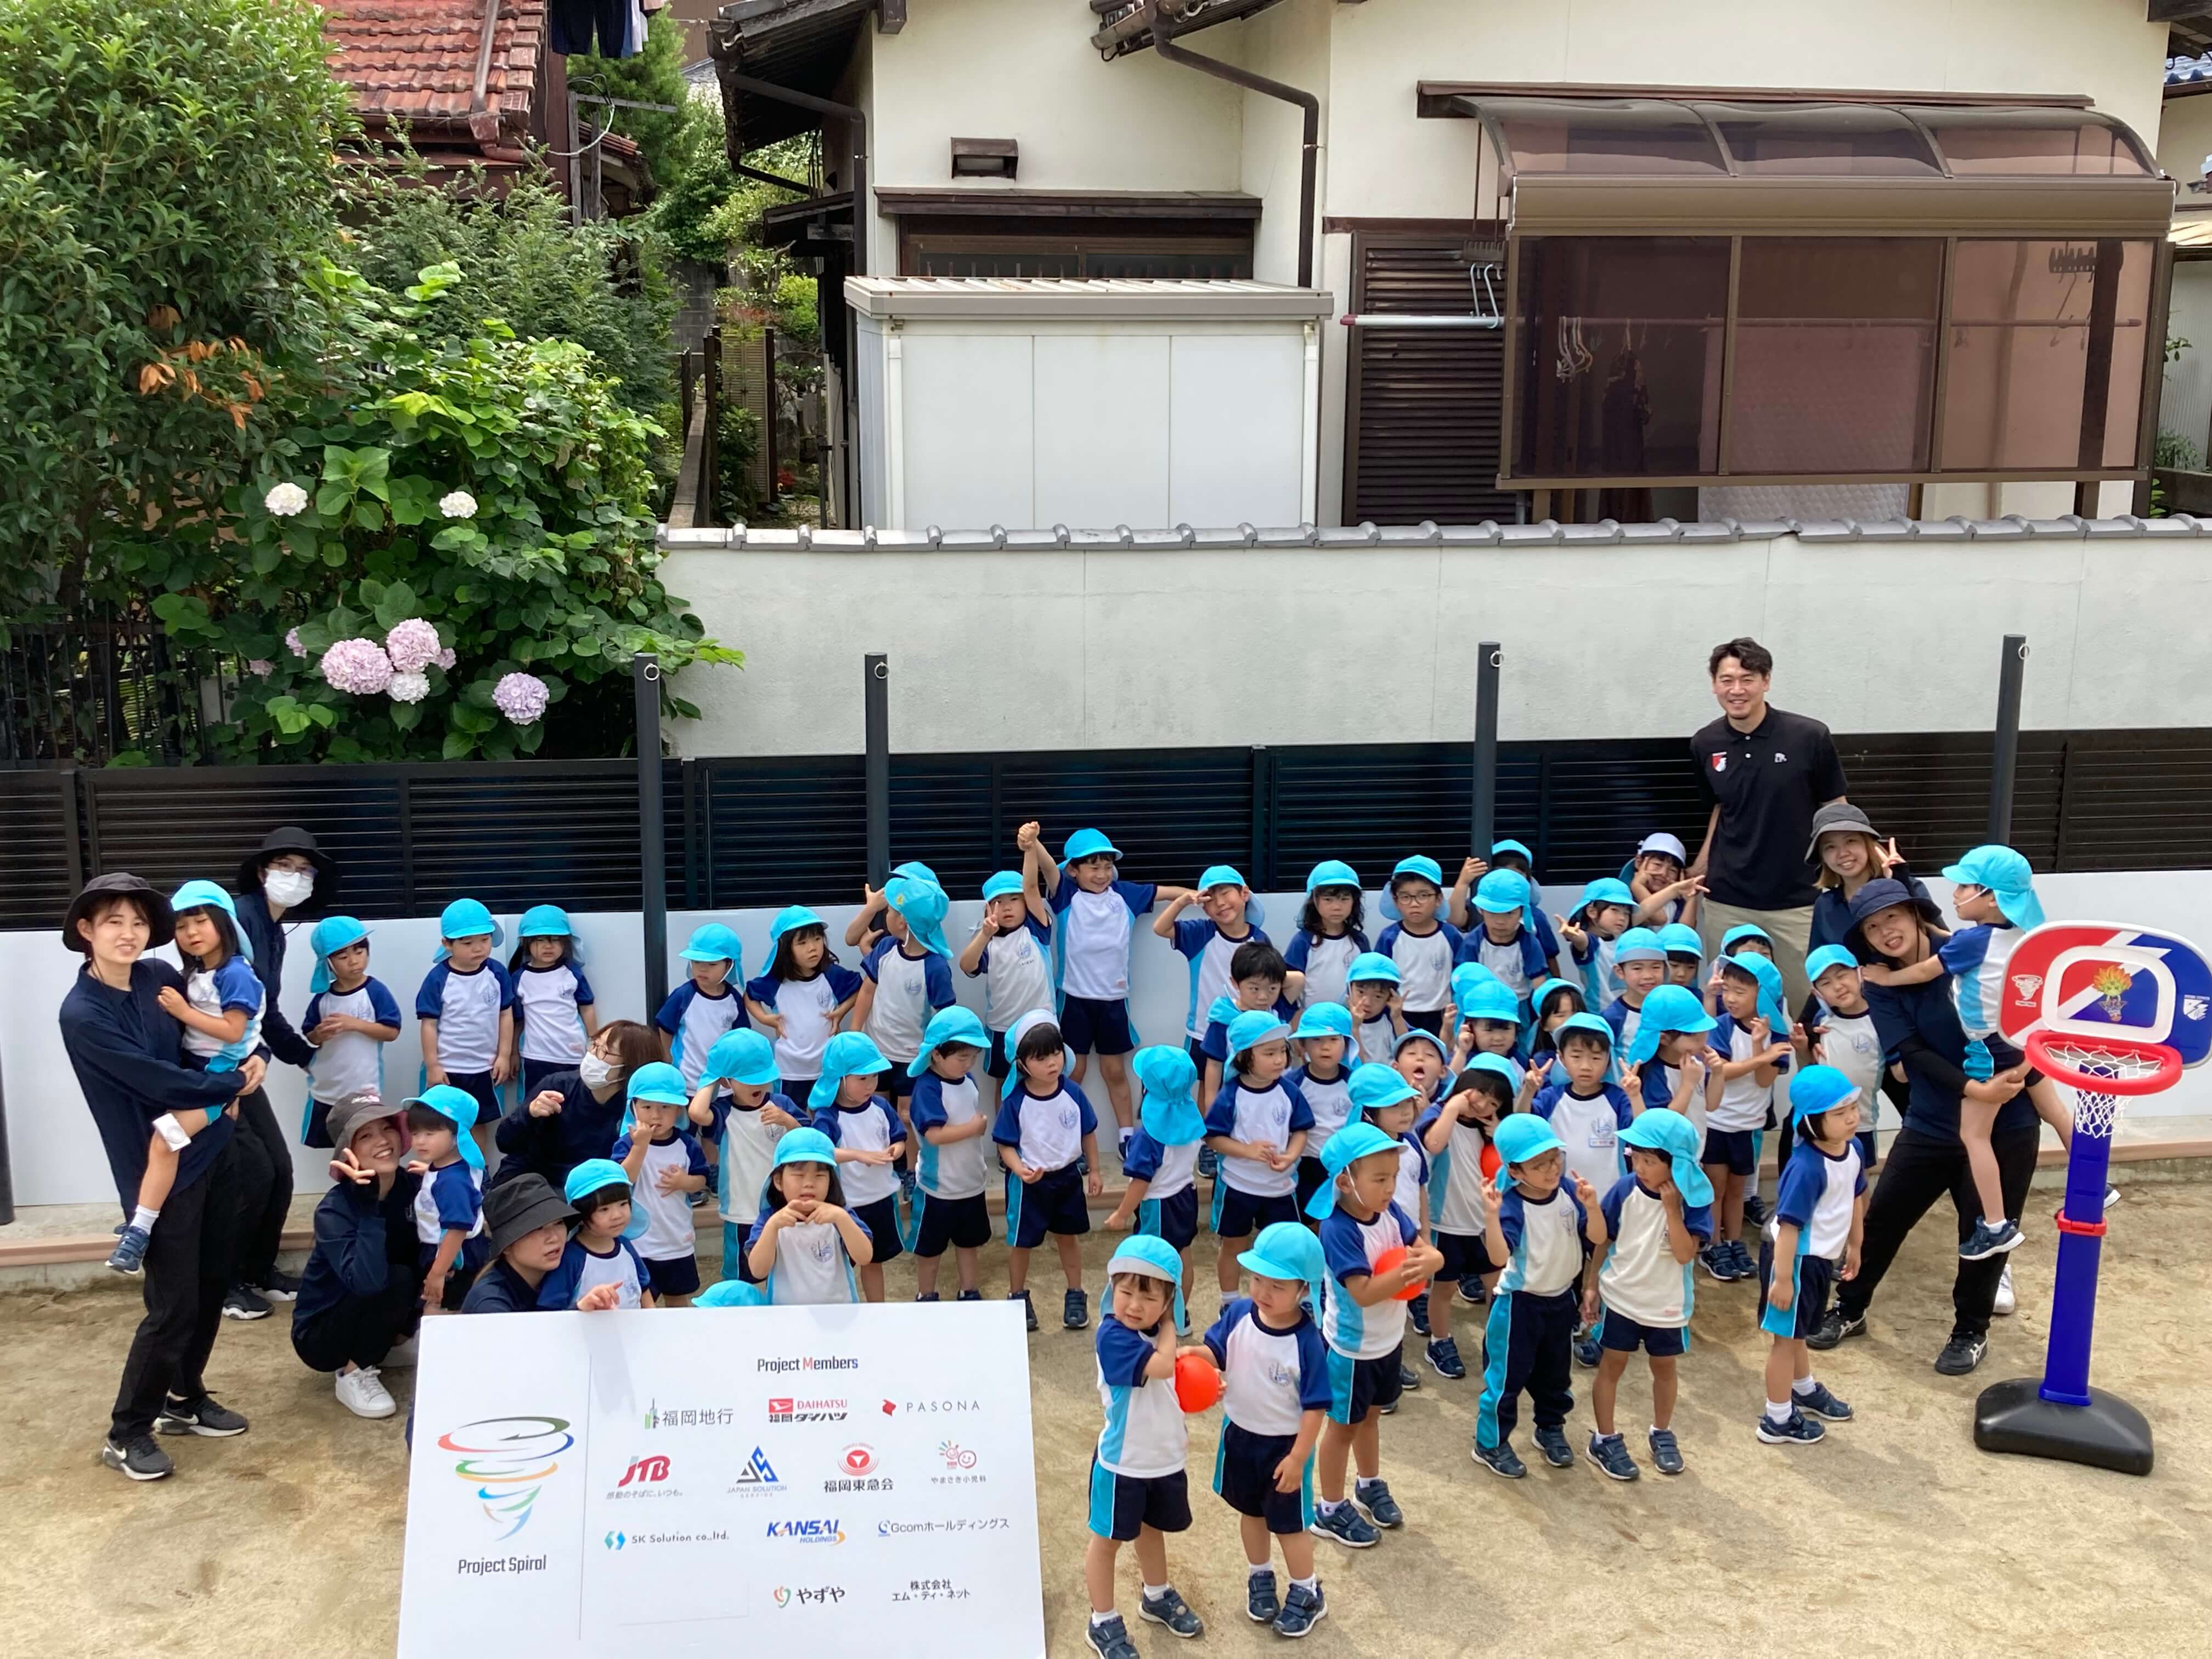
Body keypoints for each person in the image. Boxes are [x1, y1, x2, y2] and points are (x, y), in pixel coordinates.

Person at [60, 874, 268, 1482]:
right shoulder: (83, 1014)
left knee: (209, 1286)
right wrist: (234, 1084)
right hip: (158, 1167)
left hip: (214, 1145)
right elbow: (157, 1080)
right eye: (113, 923)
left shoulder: (158, 979)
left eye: (138, 923)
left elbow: (216, 1034)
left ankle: (184, 1399)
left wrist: (256, 1058)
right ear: (86, 932)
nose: (129, 934)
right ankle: (127, 1432)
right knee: (171, 1305)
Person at [1808, 879, 2032, 1376]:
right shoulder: (1881, 985)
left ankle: (1970, 1331)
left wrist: (2018, 1078)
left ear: (1914, 915)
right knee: (1884, 1217)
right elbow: (1912, 1053)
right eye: (1872, 926)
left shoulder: (1968, 953)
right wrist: (1974, 1091)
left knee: (1983, 1229)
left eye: (1892, 917)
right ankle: (1850, 1307)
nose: (1885, 931)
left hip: (2007, 1123)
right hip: (1932, 1122)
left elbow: (2024, 1015)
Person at [1859, 845, 2079, 1259]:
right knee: (2056, 1111)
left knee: (1974, 1135)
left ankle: (1995, 1225)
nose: (1955, 894)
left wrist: (1884, 981)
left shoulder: (1973, 942)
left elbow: (1928, 965)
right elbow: (1939, 934)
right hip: (2018, 1040)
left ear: (1990, 896)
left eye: (1963, 887)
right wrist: (1903, 877)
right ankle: (2093, 1182)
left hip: (1990, 1046)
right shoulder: (2016, 935)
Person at [105, 880, 265, 1277]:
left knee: (165, 1141)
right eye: (181, 926)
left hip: (216, 1079)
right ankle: (148, 1213)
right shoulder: (199, 971)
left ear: (224, 924)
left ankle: (139, 1231)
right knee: (165, 1144)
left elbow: (233, 1031)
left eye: (201, 921)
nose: (191, 933)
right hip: (196, 1075)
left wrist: (182, 1011)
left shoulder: (235, 974)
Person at [1689, 636, 1849, 1015]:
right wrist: (1701, 864)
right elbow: (1721, 808)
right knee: (1730, 1011)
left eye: (1747, 679)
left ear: (1766, 681)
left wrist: (1854, 867)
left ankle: (1809, 1077)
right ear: (1714, 685)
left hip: (1797, 899)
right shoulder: (1704, 743)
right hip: (1727, 898)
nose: (1736, 690)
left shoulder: (1809, 737)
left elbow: (1836, 807)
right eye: (1726, 680)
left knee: (1807, 1011)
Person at [1304, 1121, 1440, 1547]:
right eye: (1380, 1179)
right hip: (1350, 1349)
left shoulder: (1389, 1214)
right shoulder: (1337, 1230)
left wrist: (1432, 1260)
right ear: (1345, 1181)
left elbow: (1426, 1248)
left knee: (1372, 1416)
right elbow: (1362, 1294)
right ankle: (1328, 1508)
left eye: (1394, 1178)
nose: (1390, 1187)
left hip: (1387, 1342)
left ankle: (1369, 1483)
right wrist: (1407, 1272)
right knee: (1342, 1428)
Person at [1204, 1222, 1332, 1640]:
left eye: (1277, 1285)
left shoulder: (1307, 1341)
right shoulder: (1239, 1313)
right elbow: (1216, 1350)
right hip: (1240, 1435)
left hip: (1284, 1448)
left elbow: (1315, 1408)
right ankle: (1260, 1576)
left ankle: (1306, 1589)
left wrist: (1298, 1458)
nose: (1262, 1291)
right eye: (1258, 1278)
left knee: (1290, 1526)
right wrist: (1196, 1359)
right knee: (1251, 1513)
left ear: (1303, 1291)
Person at [1081, 1235, 1207, 1659]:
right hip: (1123, 1464)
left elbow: (1179, 1385)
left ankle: (1156, 1595)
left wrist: (1209, 1386)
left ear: (1168, 1296)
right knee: (1107, 1541)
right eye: (1125, 1291)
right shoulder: (1113, 1335)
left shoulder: (1159, 1336)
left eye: (1148, 1295)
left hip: (1163, 1460)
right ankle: (1102, 1620)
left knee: (1153, 1531)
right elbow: (1160, 1366)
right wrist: (1171, 1325)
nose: (1133, 1304)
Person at [230, 826, 336, 1314]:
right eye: (284, 867)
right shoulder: (239, 920)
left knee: (278, 1169)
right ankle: (228, 1284)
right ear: (261, 871)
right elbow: (229, 1001)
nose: (294, 877)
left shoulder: (275, 930)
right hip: (217, 1069)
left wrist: (302, 1053)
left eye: (304, 869)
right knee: (248, 1174)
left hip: (246, 1064)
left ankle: (259, 1271)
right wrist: (264, 1055)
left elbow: (266, 1009)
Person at [1045, 827, 1193, 1158]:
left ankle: (1127, 1136)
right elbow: (1046, 869)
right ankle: (1069, 1138)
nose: (1101, 874)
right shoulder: (1065, 896)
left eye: (1106, 866)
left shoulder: (1125, 895)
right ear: (1073, 870)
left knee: (1114, 1071)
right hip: (1073, 999)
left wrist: (1199, 897)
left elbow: (1167, 893)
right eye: (1092, 867)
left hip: (1114, 1002)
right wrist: (1033, 844)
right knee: (1073, 1071)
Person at [1471, 1114, 1603, 1480]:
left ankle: (1550, 1428)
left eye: (1554, 1158)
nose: (1551, 1168)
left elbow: (1598, 1237)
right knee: (1506, 1379)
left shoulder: (1567, 1194)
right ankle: (1490, 1442)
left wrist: (1591, 1207)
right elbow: (1498, 1259)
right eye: (1538, 1164)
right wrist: (1492, 1216)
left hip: (1561, 1300)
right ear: (1515, 1171)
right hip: (1520, 1305)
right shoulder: (1512, 1206)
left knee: (1556, 1375)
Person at [1582, 1109, 1709, 1480]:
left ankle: (1662, 1432)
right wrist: (1591, 1285)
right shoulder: (1624, 1190)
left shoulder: (1693, 1199)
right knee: (1611, 1365)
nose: (1639, 1167)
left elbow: (1686, 1254)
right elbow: (1603, 1239)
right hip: (1621, 1297)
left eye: (1650, 1161)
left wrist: (1672, 1211)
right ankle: (1604, 1438)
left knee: (1664, 1368)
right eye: (1635, 1157)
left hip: (1666, 1303)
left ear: (1676, 1164)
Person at [290, 1090, 424, 1420]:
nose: (382, 1140)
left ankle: (389, 1342)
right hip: (322, 1335)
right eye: (366, 1135)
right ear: (348, 1152)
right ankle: (353, 1372)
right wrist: (369, 1208)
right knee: (395, 1277)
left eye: (388, 1128)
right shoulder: (335, 1209)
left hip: (379, 1306)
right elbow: (366, 1282)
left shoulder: (414, 1187)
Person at [1758, 1066, 1867, 1444]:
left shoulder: (1854, 1149)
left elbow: (1854, 1196)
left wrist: (1855, 1244)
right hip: (1795, 1262)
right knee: (1784, 1340)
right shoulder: (1806, 1168)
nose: (1852, 1117)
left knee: (1798, 1332)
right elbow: (1789, 1227)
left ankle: (1802, 1391)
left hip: (1820, 1260)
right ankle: (1776, 1418)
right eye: (1839, 1113)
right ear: (1810, 1122)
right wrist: (1784, 1279)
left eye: (1852, 1106)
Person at [994, 1009, 1105, 1331]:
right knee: (1021, 1243)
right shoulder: (1015, 1101)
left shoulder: (1073, 1092)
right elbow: (1005, 1145)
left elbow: (1089, 1133)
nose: (1052, 1063)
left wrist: (1095, 1171)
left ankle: (1075, 1294)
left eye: (1056, 1052)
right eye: (1041, 1058)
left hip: (1068, 1178)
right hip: (1029, 1185)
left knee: (1068, 1238)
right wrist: (1020, 1169)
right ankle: (1017, 1296)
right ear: (1022, 1064)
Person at [853, 874, 956, 1188]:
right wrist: (856, 1035)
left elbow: (945, 1017)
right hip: (876, 1053)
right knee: (876, 1112)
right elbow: (867, 992)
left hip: (913, 1058)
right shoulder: (884, 948)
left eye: (894, 911)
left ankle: (912, 1171)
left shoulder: (936, 966)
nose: (888, 915)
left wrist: (935, 1055)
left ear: (904, 923)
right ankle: (881, 1167)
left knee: (908, 1117)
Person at [1204, 1011, 1314, 1302]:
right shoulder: (1230, 1095)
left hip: (1281, 1188)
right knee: (1233, 1246)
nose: (1280, 1059)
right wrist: (1248, 1151)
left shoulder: (1289, 1092)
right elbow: (1213, 1138)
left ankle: (1294, 1301)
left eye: (1282, 1051)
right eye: (1269, 1053)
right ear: (1245, 1057)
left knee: (1286, 1248)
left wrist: (1291, 1155)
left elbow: (1301, 1130)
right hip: (1239, 1187)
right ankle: (1229, 1301)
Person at [1417, 1056, 1515, 1380]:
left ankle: (1497, 1343)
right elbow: (1432, 1143)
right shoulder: (1441, 1114)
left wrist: (1501, 1133)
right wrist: (1451, 1108)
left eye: (1494, 1101)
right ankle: (1439, 1341)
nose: (1483, 1104)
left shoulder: (1494, 1130)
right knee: (1443, 1290)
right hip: (1446, 1223)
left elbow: (1514, 1168)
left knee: (1497, 1286)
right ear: (1464, 1085)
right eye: (1479, 1092)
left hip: (1486, 1225)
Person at [687, 1027, 806, 1283]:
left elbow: (808, 1140)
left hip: (782, 1205)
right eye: (748, 1079)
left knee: (786, 1272)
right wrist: (712, 1076)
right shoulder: (724, 1111)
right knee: (742, 1276)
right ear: (727, 1081)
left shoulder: (782, 1104)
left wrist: (787, 1121)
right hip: (741, 1210)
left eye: (762, 1078)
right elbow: (697, 1113)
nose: (758, 1085)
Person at [1703, 951, 1792, 1283]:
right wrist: (1762, 1057)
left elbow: (1764, 1081)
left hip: (1747, 1126)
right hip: (1716, 1123)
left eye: (1740, 992)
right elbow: (1721, 1071)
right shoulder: (1720, 1026)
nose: (1730, 998)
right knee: (1716, 1187)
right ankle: (1713, 1245)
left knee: (1738, 1188)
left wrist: (1759, 1048)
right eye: (1727, 990)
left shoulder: (1775, 1034)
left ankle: (1733, 1241)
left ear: (1764, 996)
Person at [1107, 1046, 1206, 1332]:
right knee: (1182, 1255)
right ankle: (1180, 1313)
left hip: (1158, 1207)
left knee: (1153, 1263)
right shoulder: (1191, 1121)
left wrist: (1122, 1213)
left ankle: (1162, 1320)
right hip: (1186, 1196)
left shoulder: (1147, 1138)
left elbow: (1141, 1182)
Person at [492, 1019, 656, 1192]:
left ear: (629, 1067)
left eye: (604, 1051)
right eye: (594, 1045)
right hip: (533, 1185)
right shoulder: (558, 1085)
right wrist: (529, 1113)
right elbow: (504, 1142)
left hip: (587, 1194)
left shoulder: (633, 1111)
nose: (592, 1054)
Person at [958, 830, 1057, 1109]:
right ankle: (1005, 1144)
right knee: (1004, 1084)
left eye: (1014, 899)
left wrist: (1028, 848)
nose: (1007, 907)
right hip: (1002, 1027)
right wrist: (984, 935)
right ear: (988, 908)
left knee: (1044, 1082)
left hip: (1041, 1023)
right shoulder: (987, 940)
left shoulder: (1037, 929)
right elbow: (967, 966)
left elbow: (1032, 888)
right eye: (998, 902)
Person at [416, 898, 515, 1167]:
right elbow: (428, 1024)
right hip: (448, 1069)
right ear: (447, 944)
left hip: (484, 1068)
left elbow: (506, 1015)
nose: (478, 948)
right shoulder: (438, 979)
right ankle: (440, 1175)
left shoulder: (497, 973)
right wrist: (434, 1066)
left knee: (477, 1123)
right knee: (441, 1125)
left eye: (484, 940)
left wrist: (504, 1055)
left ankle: (475, 1174)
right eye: (467, 943)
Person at [905, 1007, 994, 1302]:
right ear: (937, 1055)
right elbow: (934, 1136)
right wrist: (973, 1128)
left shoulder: (969, 1082)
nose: (968, 1064)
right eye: (961, 1057)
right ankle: (926, 1294)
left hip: (970, 1182)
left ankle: (969, 1291)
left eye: (973, 1057)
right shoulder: (928, 1088)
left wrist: (974, 1128)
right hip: (937, 1187)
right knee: (929, 1248)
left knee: (969, 1243)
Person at [299, 916, 402, 1149]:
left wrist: (353, 1024)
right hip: (327, 1089)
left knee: (365, 1143)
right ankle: (344, 1185)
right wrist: (319, 1034)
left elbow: (392, 1031)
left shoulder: (375, 991)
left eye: (360, 951)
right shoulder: (323, 998)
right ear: (328, 962)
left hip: (364, 1087)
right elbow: (310, 1035)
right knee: (338, 1147)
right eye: (343, 957)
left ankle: (366, 1185)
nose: (354, 961)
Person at [613, 1062, 709, 1307]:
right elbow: (621, 1181)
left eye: (665, 1107)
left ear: (679, 1110)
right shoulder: (627, 1143)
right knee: (641, 1301)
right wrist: (640, 1146)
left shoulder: (687, 1144)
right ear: (633, 1107)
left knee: (678, 1297)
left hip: (676, 1239)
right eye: (646, 1107)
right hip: (639, 1243)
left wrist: (685, 1182)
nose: (656, 1115)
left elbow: (702, 1180)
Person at [744, 906, 863, 1104]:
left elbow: (861, 988)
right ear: (784, 948)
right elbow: (749, 996)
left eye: (818, 939)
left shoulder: (831, 975)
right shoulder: (776, 981)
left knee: (826, 1115)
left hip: (827, 1065)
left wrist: (840, 1012)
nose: (813, 948)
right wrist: (766, 1019)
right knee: (793, 1117)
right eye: (802, 942)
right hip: (789, 1068)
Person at [458, 1175, 625, 1314]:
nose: (554, 1238)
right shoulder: (491, 1303)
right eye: (537, 1228)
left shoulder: (562, 1275)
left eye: (559, 1223)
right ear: (507, 1245)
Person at [745, 1127, 874, 1302]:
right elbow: (758, 1271)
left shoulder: (839, 1215)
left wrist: (842, 1218)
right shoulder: (771, 1220)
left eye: (820, 1175)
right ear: (778, 1181)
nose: (809, 1184)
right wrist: (772, 1227)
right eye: (799, 1175)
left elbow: (865, 1257)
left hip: (838, 1314)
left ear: (831, 1180)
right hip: (785, 1316)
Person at [1156, 862, 1269, 1062]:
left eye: (1225, 893)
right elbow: (1161, 928)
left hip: (1247, 1031)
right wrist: (1182, 901)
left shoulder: (1260, 940)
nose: (1220, 903)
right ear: (1205, 909)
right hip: (1203, 1031)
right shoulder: (1200, 933)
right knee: (1205, 1089)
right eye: (1211, 899)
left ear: (1244, 894)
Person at [404, 1083, 490, 1311]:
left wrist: (438, 1273)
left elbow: (457, 1229)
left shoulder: (451, 1183)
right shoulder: (453, 1167)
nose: (420, 1141)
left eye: (430, 1133)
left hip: (452, 1256)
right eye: (415, 1133)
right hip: (456, 1251)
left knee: (439, 1305)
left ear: (457, 1134)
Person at [1805, 803, 1934, 954]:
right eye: (1830, 847)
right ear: (1823, 858)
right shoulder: (1826, 905)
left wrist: (1901, 885)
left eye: (1850, 841)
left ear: (1869, 845)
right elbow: (1819, 964)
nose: (1842, 853)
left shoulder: (1909, 886)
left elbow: (1940, 945)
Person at [1800, 945, 1886, 1172]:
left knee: (1861, 1177)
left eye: (1842, 975)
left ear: (1859, 973)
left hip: (1862, 1120)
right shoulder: (1821, 1022)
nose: (1837, 986)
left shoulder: (1882, 1018)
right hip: (1824, 1123)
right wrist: (1807, 1042)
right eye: (1826, 983)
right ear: (1817, 993)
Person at [506, 905, 597, 1097]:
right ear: (526, 943)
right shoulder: (520, 977)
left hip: (573, 1055)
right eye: (540, 940)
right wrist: (512, 1053)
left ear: (566, 943)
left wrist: (595, 1043)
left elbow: (587, 1008)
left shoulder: (572, 972)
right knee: (534, 1106)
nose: (549, 946)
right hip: (534, 1057)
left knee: (572, 1105)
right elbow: (516, 1021)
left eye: (556, 940)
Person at [1197, 941, 1295, 1111]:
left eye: (1272, 988)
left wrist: (1272, 976)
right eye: (1254, 989)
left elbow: (1299, 980)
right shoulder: (1223, 1018)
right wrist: (1211, 1104)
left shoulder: (1278, 1010)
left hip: (1276, 1098)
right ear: (1235, 983)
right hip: (1237, 1102)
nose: (1263, 997)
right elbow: (1214, 1065)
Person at [1374, 856, 1462, 1034]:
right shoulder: (1389, 937)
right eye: (1405, 897)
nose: (1414, 904)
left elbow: (1461, 974)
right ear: (1396, 900)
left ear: (1438, 899)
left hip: (1441, 1014)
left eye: (1423, 896)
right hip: (1400, 1014)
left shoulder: (1450, 935)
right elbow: (1379, 979)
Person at [655, 922, 747, 1090]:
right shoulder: (683, 996)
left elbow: (741, 1037)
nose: (702, 969)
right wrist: (666, 1055)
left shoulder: (734, 999)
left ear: (729, 965)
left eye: (712, 964)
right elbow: (665, 1026)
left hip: (722, 1084)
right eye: (697, 962)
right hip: (687, 1081)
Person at [1284, 1002, 1356, 1218]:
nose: (1326, 1047)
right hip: (1306, 1164)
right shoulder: (1291, 1084)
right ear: (1303, 1046)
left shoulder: (1354, 1083)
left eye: (1334, 1040)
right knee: (1309, 1221)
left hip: (1345, 1166)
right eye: (1317, 1040)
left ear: (1346, 1045)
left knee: (1341, 1218)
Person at [557, 1158, 654, 1309]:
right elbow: (551, 1311)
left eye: (623, 1204)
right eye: (604, 1209)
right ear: (580, 1215)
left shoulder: (625, 1244)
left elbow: (644, 1289)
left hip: (634, 1331)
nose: (617, 1215)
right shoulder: (570, 1258)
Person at [1283, 860, 1369, 1013]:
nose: (1337, 907)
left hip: (1349, 1021)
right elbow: (1289, 985)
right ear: (1314, 900)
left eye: (1344, 899)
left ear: (1354, 901)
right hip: (1310, 1023)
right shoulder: (1303, 941)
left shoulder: (1359, 941)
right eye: (1328, 899)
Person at [1455, 869, 1549, 1005]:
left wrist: (1542, 1011)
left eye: (1509, 913)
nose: (1500, 921)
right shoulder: (1473, 942)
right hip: (1482, 1004)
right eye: (1493, 913)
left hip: (1519, 1004)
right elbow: (1463, 977)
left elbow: (1539, 981)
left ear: (1522, 912)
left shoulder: (1529, 943)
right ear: (1481, 910)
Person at [1559, 878, 1637, 1009]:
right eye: (1615, 910)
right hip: (1598, 1014)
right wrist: (1572, 934)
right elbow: (1582, 939)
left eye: (1627, 913)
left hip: (1626, 1013)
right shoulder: (1592, 944)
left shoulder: (1624, 940)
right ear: (1592, 912)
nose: (1622, 918)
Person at [1600, 927, 1667, 1056]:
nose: (1648, 975)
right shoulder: (1612, 1018)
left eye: (1656, 967)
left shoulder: (1672, 1008)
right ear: (1620, 972)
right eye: (1637, 968)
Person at [1627, 832, 1703, 929]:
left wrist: (1690, 899)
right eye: (1657, 864)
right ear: (1639, 862)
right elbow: (1660, 918)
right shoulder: (1624, 897)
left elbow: (1685, 933)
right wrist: (1637, 886)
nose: (1664, 873)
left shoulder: (1674, 904)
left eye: (1672, 870)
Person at [1345, 952, 1407, 1065]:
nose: (1368, 1003)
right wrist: (1355, 1028)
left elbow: (1407, 1049)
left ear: (1390, 998)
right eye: (1361, 992)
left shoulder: (1390, 1019)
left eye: (1378, 996)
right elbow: (1355, 1064)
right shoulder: (1341, 1019)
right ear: (1350, 989)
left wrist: (1397, 1018)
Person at [1657, 923, 1705, 990]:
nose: (1682, 974)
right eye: (1674, 965)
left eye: (1691, 967)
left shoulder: (1698, 998)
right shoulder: (1643, 995)